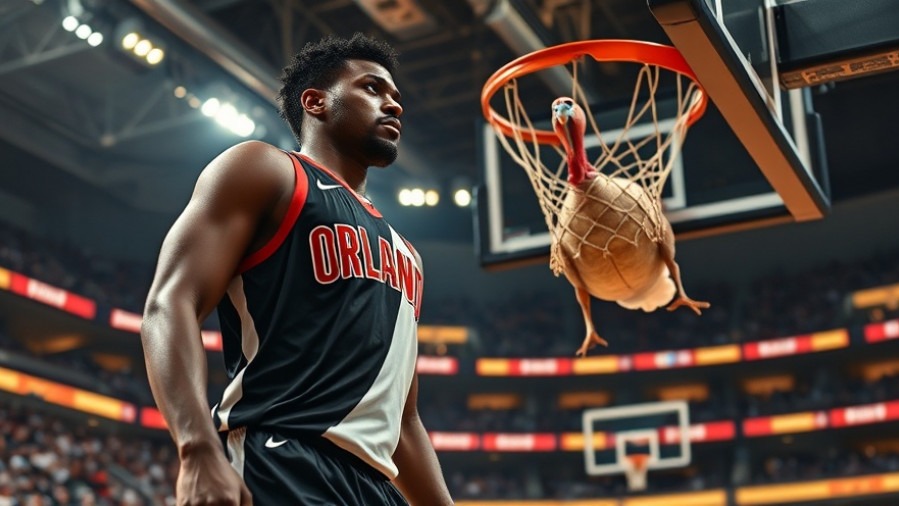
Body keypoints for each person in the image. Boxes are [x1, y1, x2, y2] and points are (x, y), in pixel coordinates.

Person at [140, 33, 453, 505]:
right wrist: (197, 449)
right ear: (316, 102)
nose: (393, 105)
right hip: (282, 457)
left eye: (396, 97)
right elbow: (170, 303)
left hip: (375, 487)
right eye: (372, 89)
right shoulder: (264, 169)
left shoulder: (407, 254)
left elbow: (404, 420)